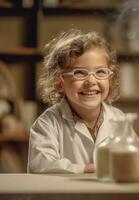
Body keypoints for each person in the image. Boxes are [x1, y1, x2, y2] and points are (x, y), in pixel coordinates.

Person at [27, 29, 128, 173]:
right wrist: (90, 169)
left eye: (100, 72)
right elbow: (41, 166)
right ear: (59, 81)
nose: (91, 81)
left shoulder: (119, 119)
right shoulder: (47, 123)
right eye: (79, 73)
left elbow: (137, 160)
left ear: (110, 78)